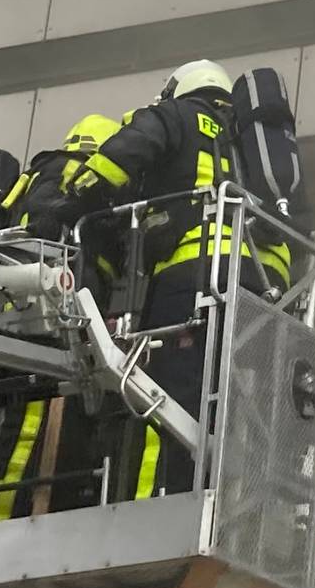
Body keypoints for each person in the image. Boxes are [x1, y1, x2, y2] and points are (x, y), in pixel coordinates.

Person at [51, 59, 293, 499]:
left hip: (195, 273)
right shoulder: (250, 140)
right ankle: (233, 501)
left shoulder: (177, 114)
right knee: (238, 400)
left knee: (163, 393)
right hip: (265, 283)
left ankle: (158, 500)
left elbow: (127, 151)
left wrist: (76, 196)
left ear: (179, 88)